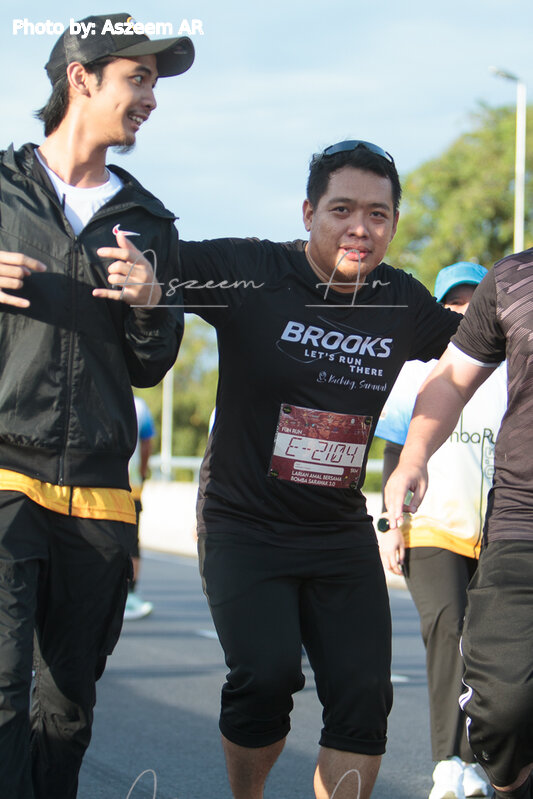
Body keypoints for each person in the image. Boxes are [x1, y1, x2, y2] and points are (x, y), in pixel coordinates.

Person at [104, 139, 462, 798]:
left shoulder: (401, 300)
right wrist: (146, 281)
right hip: (243, 523)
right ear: (308, 213)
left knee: (363, 697)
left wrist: (415, 451)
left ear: (393, 224)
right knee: (265, 679)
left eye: (378, 214)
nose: (359, 228)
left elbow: (475, 350)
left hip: (337, 531)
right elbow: (153, 256)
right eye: (341, 209)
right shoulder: (252, 270)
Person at [0, 13, 192, 798]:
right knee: (2, 689)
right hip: (5, 472)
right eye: (137, 79)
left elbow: (152, 365)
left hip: (100, 494)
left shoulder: (150, 222)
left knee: (67, 705)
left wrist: (151, 303)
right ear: (81, 78)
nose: (151, 99)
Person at [384, 247, 533, 799]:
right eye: (455, 303)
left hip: (482, 527)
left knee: (474, 647)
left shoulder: (506, 375)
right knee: (455, 637)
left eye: (470, 301)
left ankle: (469, 760)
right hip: (445, 527)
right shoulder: (423, 372)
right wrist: (394, 515)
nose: (464, 311)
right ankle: (453, 759)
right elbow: (400, 444)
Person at [124, 395, 156, 620]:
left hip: (101, 483)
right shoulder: (139, 406)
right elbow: (147, 443)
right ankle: (130, 593)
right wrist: (142, 473)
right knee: (132, 541)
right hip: (131, 486)